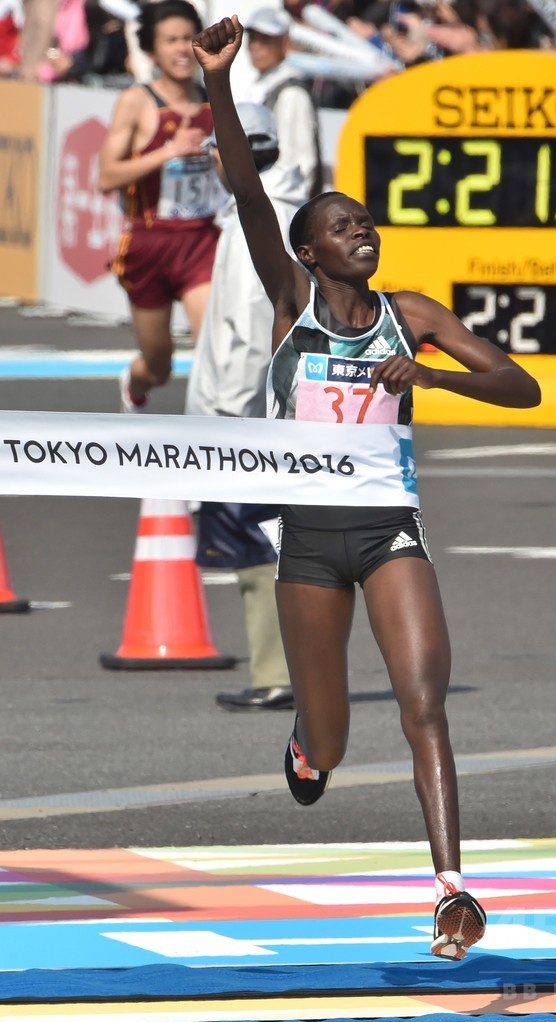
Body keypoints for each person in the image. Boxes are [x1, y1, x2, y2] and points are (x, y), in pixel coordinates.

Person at [192, 14, 541, 960]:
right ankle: (309, 744)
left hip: (389, 530)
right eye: (341, 228)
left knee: (423, 701)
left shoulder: (411, 316)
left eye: (365, 222)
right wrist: (219, 85)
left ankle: (452, 891)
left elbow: (522, 384)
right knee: (334, 742)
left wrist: (432, 376)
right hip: (307, 539)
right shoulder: (291, 302)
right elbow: (254, 196)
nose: (362, 233)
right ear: (307, 254)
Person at [185, 101, 307, 712]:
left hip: (243, 420)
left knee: (258, 544)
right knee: (271, 545)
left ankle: (277, 673)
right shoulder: (267, 215)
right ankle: (284, 670)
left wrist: (225, 425)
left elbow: (250, 328)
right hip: (256, 413)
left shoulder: (258, 222)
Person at [98, 0, 221, 412]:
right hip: (149, 244)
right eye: (171, 41)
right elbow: (106, 177)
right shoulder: (137, 101)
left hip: (201, 241)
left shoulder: (212, 99)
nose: (182, 49)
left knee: (213, 351)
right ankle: (135, 381)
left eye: (189, 38)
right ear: (153, 50)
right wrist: (168, 152)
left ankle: (212, 444)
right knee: (159, 364)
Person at [243, 6, 322, 198]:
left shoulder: (291, 92)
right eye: (253, 39)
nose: (256, 47)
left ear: (285, 43)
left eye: (266, 40)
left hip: (280, 206)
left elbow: (299, 164)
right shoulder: (263, 85)